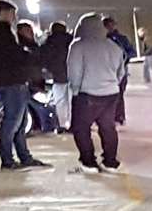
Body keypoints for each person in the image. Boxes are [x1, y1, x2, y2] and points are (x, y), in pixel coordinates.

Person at [0, 0, 46, 171]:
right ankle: (8, 160)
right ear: (3, 13)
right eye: (12, 13)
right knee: (12, 122)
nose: (14, 17)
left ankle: (23, 157)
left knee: (18, 122)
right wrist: (29, 55)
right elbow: (14, 56)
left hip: (7, 80)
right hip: (13, 80)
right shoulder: (1, 32)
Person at [67, 12, 128, 174]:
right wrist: (111, 83)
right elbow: (121, 72)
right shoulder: (114, 46)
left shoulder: (78, 45)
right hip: (111, 94)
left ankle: (89, 162)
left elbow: (74, 72)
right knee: (108, 128)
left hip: (87, 94)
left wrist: (76, 90)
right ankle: (110, 161)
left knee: (81, 128)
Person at [16, 21, 56, 133]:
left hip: (36, 79)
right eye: (27, 30)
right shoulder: (23, 47)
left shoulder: (33, 46)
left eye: (31, 30)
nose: (31, 33)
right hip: (30, 81)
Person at [41, 20, 73, 134]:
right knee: (72, 101)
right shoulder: (71, 41)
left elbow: (44, 59)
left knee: (59, 102)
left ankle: (61, 124)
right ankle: (73, 124)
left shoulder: (49, 42)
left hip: (57, 76)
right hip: (72, 75)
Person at [103, 16, 134, 124]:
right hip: (105, 71)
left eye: (112, 25)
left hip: (120, 71)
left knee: (119, 94)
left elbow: (131, 52)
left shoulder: (121, 39)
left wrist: (124, 58)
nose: (110, 28)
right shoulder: (100, 40)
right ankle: (106, 117)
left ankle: (119, 117)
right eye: (107, 26)